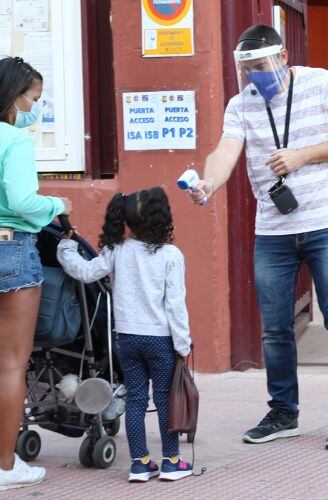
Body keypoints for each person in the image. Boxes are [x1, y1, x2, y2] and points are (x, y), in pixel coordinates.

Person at [188, 25, 328, 449]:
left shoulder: (320, 82)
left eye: (262, 66)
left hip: (325, 222)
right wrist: (208, 183)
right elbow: (226, 151)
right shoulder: (241, 104)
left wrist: (301, 156)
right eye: (248, 69)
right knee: (274, 329)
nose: (256, 75)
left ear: (284, 57)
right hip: (273, 228)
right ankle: (283, 412)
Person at [56, 187, 195, 483]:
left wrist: (67, 247)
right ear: (162, 218)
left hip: (127, 339)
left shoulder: (116, 251)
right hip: (160, 340)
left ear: (127, 221)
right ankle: (171, 462)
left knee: (134, 401)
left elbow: (84, 271)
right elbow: (175, 305)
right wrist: (183, 344)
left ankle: (140, 463)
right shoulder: (171, 255)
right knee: (163, 398)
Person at [0, 56, 67, 492]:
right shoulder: (16, 141)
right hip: (11, 250)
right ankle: (5, 467)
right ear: (16, 96)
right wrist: (59, 205)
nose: (36, 108)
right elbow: (25, 201)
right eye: (35, 99)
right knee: (10, 364)